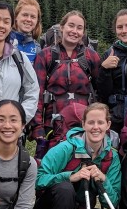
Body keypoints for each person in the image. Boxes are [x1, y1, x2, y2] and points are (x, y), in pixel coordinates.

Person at [32, 10, 103, 159]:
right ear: (62, 27)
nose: (74, 31)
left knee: (83, 164)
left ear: (83, 32)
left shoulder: (92, 56)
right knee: (53, 166)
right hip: (53, 123)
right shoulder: (45, 56)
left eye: (79, 28)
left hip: (85, 124)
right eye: (71, 26)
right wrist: (38, 129)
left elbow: (101, 92)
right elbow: (36, 94)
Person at [11, 0, 43, 64]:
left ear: (37, 21)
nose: (29, 19)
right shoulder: (5, 42)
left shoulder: (37, 47)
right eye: (25, 15)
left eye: (33, 17)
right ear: (16, 16)